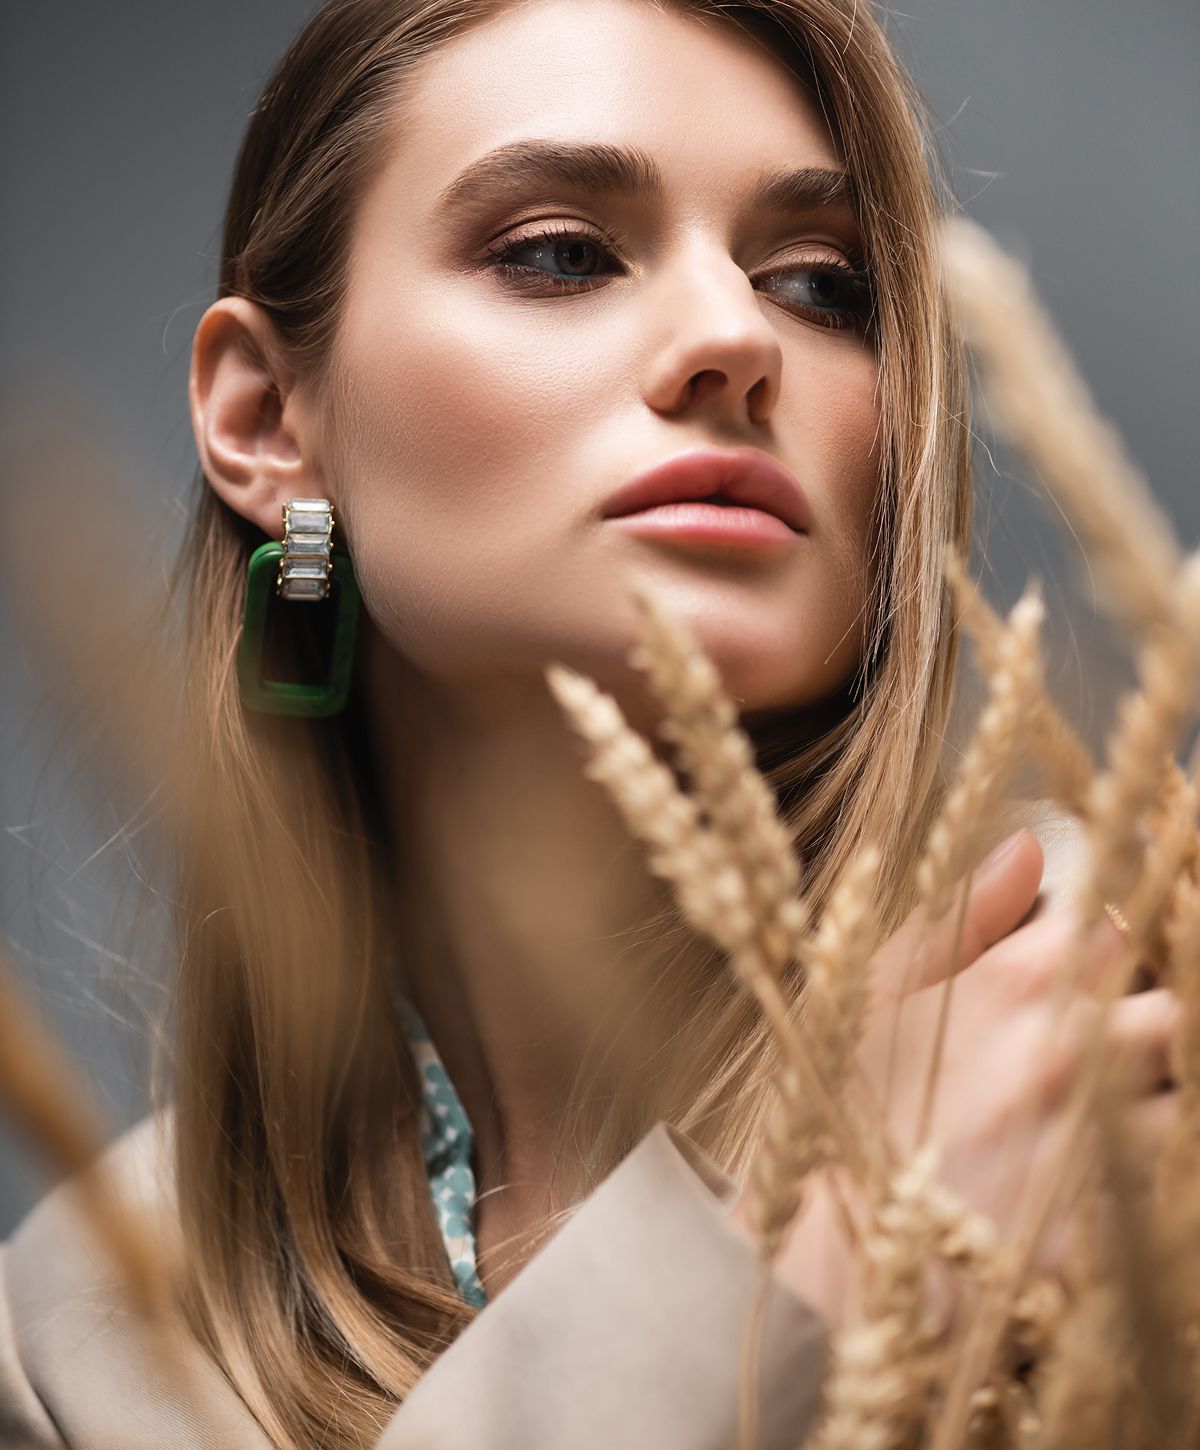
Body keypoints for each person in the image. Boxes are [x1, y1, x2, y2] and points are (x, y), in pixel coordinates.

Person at [0, 1, 1179, 1447]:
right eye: (562, 253)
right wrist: (805, 1277)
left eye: (819, 286)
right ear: (266, 420)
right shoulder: (79, 1329)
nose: (734, 336)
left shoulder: (1118, 1001)